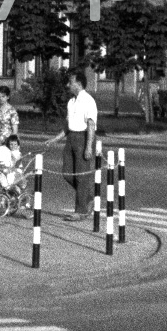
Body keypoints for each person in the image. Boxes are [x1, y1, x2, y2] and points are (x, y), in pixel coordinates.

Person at [62, 70, 98, 221]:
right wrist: (54, 139)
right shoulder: (71, 102)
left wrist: (89, 146)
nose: (67, 85)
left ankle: (80, 211)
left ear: (78, 84)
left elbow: (91, 124)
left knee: (82, 177)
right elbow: (67, 125)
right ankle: (88, 197)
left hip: (83, 138)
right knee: (67, 173)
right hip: (71, 138)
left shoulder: (88, 100)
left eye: (70, 82)